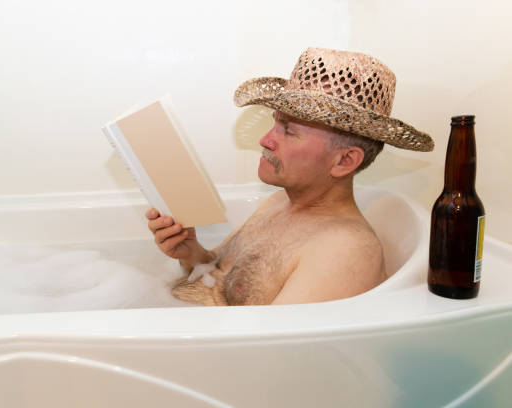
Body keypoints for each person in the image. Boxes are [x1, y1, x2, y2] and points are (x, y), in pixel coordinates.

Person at [145, 48, 434, 306]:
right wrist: (189, 252)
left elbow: (272, 355)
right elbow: (218, 273)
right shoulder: (278, 203)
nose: (265, 140)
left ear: (344, 160)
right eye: (275, 124)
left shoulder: (344, 250)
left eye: (289, 131)